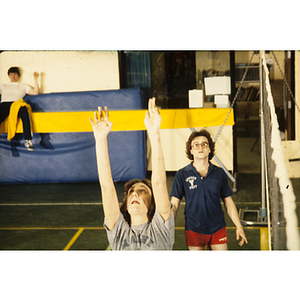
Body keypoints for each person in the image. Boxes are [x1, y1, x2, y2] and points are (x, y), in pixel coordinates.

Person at [89, 97, 174, 250]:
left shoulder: (161, 229)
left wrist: (154, 133)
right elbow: (107, 186)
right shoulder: (118, 231)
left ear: (152, 202)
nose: (134, 194)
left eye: (142, 191)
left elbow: (159, 183)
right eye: (131, 192)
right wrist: (100, 139)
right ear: (126, 206)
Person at [170, 129, 248, 250]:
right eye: (196, 145)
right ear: (191, 150)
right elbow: (174, 206)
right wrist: (168, 229)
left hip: (218, 228)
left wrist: (239, 226)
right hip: (194, 229)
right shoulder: (182, 174)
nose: (200, 147)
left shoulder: (220, 173)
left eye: (204, 144)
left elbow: (228, 202)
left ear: (210, 149)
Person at [0, 66, 40, 151]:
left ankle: (28, 140)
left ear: (18, 75)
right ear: (9, 76)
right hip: (4, 104)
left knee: (25, 113)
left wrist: (36, 79)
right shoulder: (3, 86)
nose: (13, 76)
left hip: (17, 104)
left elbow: (35, 92)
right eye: (11, 75)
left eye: (15, 74)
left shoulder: (22, 86)